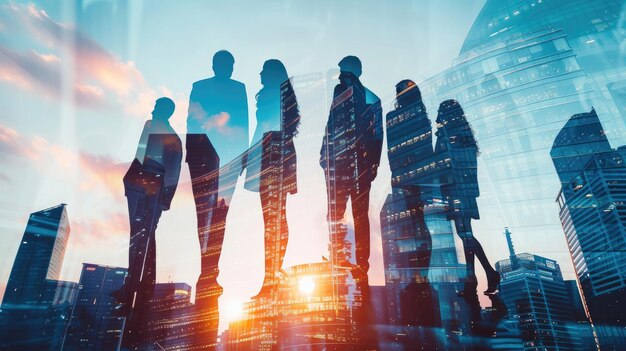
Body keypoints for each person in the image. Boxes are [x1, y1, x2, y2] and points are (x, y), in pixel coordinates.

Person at [185, 50, 249, 348]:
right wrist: (190, 155)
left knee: (220, 216)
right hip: (203, 159)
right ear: (214, 65)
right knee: (203, 217)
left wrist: (243, 157)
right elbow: (191, 120)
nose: (227, 67)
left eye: (230, 64)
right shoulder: (200, 86)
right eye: (223, 63)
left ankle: (212, 270)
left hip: (228, 160)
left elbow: (243, 121)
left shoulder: (239, 89)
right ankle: (206, 267)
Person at [320, 56, 383, 348]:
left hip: (355, 167)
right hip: (343, 166)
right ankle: (342, 257)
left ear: (353, 72)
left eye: (344, 72)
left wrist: (371, 166)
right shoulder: (346, 95)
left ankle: (359, 265)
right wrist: (324, 154)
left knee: (356, 215)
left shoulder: (370, 98)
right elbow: (331, 125)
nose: (341, 77)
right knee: (342, 214)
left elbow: (376, 135)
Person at [121, 97, 182, 349]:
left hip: (151, 186)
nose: (153, 108)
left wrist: (164, 198)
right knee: (138, 236)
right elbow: (140, 154)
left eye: (158, 106)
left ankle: (140, 285)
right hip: (140, 183)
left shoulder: (173, 138)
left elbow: (173, 168)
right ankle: (133, 281)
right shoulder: (151, 126)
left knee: (145, 238)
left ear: (164, 110)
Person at [244, 60, 300, 298]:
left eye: (263, 70)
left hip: (272, 158)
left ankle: (272, 276)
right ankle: (273, 273)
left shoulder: (272, 95)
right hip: (276, 156)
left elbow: (264, 129)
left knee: (272, 220)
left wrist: (251, 156)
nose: (259, 73)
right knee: (275, 218)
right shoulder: (282, 96)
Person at [434, 99, 500, 295]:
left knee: (466, 236)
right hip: (462, 191)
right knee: (465, 237)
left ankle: (488, 272)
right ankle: (472, 282)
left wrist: (441, 136)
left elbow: (443, 164)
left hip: (458, 192)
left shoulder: (452, 136)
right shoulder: (461, 135)